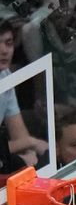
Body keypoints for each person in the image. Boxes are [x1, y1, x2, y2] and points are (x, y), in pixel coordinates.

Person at [0, 19, 48, 168]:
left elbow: (19, 134)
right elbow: (25, 141)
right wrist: (31, 142)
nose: (4, 50)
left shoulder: (5, 76)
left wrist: (30, 152)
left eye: (8, 43)